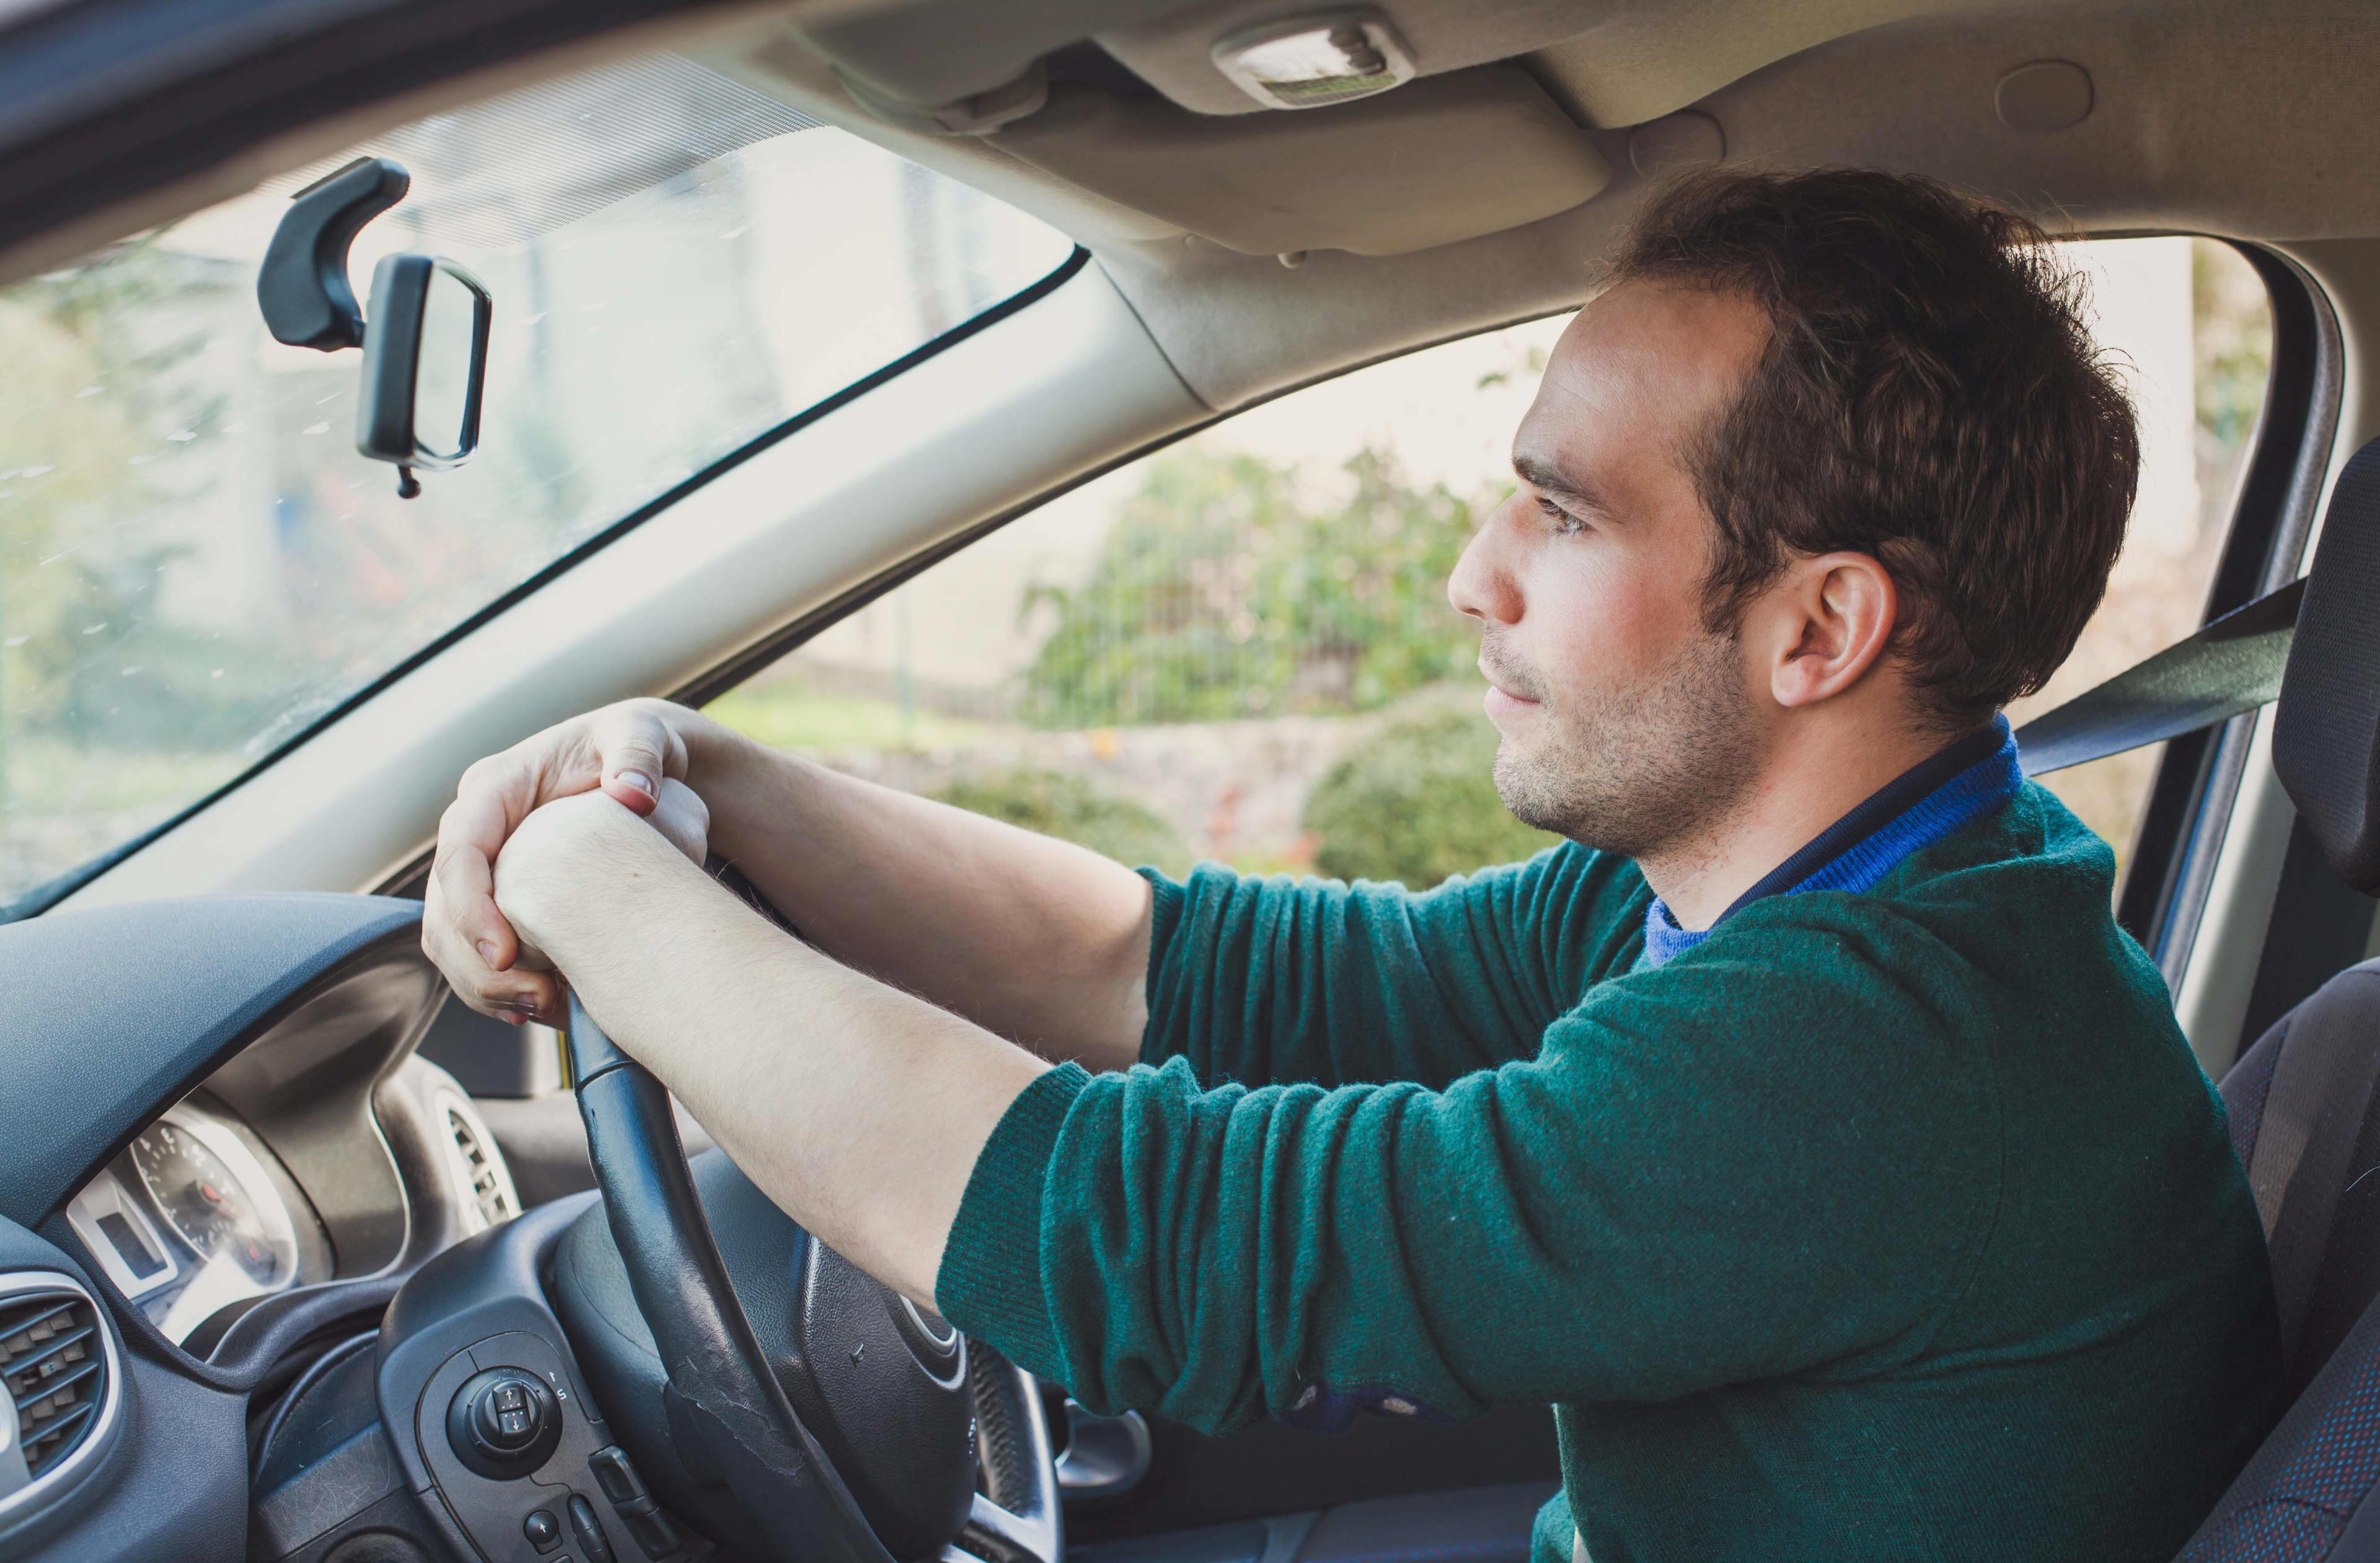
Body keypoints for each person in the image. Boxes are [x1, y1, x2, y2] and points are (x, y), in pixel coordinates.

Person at [421, 168, 2282, 1562]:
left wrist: (588, 880)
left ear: (1818, 632)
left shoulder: (1867, 1052)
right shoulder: (1841, 882)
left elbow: (1146, 1242)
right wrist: (703, 771)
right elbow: (1225, 973)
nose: (1473, 572)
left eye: (1563, 514)